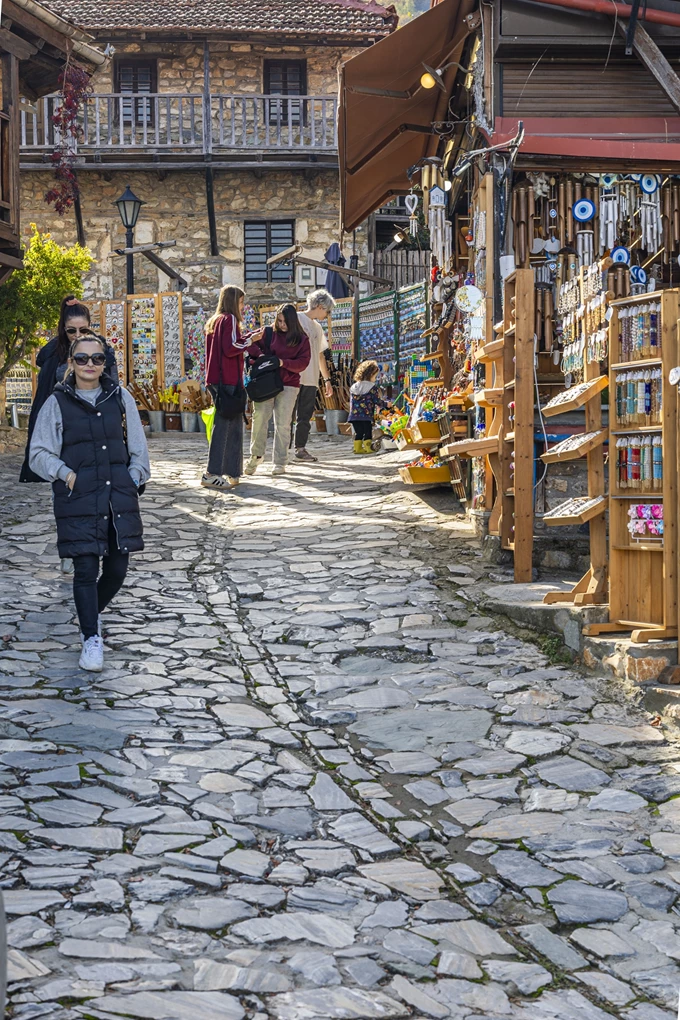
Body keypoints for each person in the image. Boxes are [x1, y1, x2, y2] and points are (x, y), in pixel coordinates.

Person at [29, 335, 150, 673]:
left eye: (96, 359)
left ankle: (88, 613)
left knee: (116, 570)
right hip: (78, 498)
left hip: (116, 497)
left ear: (104, 362)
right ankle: (90, 637)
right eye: (81, 359)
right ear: (71, 362)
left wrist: (135, 476)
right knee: (85, 569)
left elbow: (138, 447)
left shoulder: (119, 396)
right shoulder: (57, 402)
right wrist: (66, 475)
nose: (89, 365)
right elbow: (38, 453)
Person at [20, 295, 118, 485]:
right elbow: (46, 390)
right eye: (72, 330)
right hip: (65, 419)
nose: (78, 334)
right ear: (64, 329)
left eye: (84, 329)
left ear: (90, 326)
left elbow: (112, 384)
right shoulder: (53, 354)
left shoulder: (102, 351)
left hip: (95, 415)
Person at [202, 285, 263, 490]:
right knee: (226, 427)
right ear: (233, 301)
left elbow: (230, 345)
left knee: (234, 426)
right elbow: (231, 348)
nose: (242, 305)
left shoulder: (215, 321)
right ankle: (212, 473)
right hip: (227, 379)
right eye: (241, 301)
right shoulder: (229, 320)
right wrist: (251, 339)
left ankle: (232, 472)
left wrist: (248, 337)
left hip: (217, 379)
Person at [245, 304, 311, 477]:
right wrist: (260, 356)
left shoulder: (302, 339)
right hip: (266, 382)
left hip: (289, 383)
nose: (282, 325)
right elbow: (248, 341)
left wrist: (282, 362)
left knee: (283, 423)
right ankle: (256, 455)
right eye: (279, 320)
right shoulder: (268, 332)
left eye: (285, 322)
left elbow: (303, 363)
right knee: (259, 417)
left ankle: (280, 461)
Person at [292, 289, 335, 463]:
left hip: (310, 378)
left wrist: (327, 380)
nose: (328, 314)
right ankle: (281, 451)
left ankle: (300, 449)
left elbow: (320, 355)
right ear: (319, 306)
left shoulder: (317, 327)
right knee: (287, 415)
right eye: (328, 310)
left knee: (304, 416)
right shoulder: (295, 319)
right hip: (293, 375)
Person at [348, 360, 388, 455]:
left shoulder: (354, 387)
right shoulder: (372, 387)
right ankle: (368, 447)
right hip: (366, 415)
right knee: (367, 431)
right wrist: (386, 405)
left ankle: (357, 448)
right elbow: (376, 401)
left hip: (354, 415)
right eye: (375, 376)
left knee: (359, 432)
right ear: (370, 374)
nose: (375, 378)